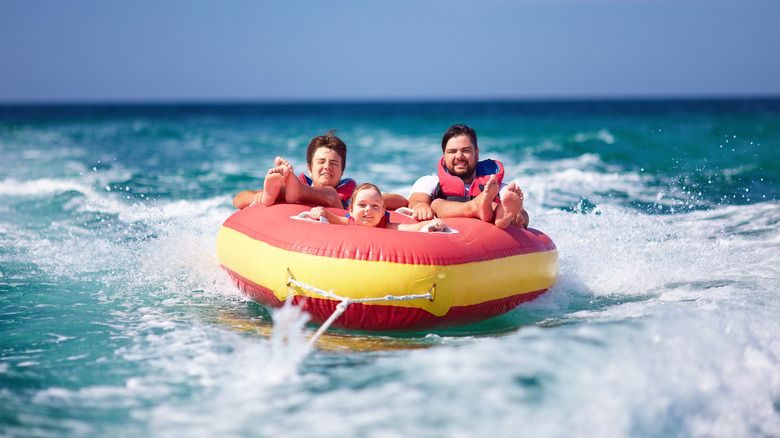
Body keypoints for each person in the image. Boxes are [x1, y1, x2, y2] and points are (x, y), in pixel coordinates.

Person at [233, 130, 408, 210]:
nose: (327, 167)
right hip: (292, 193)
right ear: (309, 168)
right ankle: (273, 196)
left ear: (342, 171)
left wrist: (365, 201)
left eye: (334, 163)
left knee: (331, 194)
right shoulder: (295, 184)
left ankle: (299, 193)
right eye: (321, 161)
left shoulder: (354, 191)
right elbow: (238, 199)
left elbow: (401, 201)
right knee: (282, 192)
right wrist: (260, 197)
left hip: (337, 206)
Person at [407, 124, 529, 229]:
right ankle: (478, 206)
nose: (459, 156)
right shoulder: (429, 182)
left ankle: (496, 213)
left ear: (477, 154)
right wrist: (421, 206)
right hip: (444, 233)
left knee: (500, 208)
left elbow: (523, 215)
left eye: (466, 150)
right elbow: (416, 201)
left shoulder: (497, 187)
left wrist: (518, 215)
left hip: (485, 239)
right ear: (444, 155)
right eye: (452, 151)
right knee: (436, 204)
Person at [309, 183, 447, 232]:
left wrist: (431, 223)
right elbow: (332, 218)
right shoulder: (349, 221)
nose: (368, 209)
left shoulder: (385, 226)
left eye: (375, 206)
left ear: (382, 212)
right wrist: (322, 211)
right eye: (362, 205)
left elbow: (412, 228)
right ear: (351, 210)